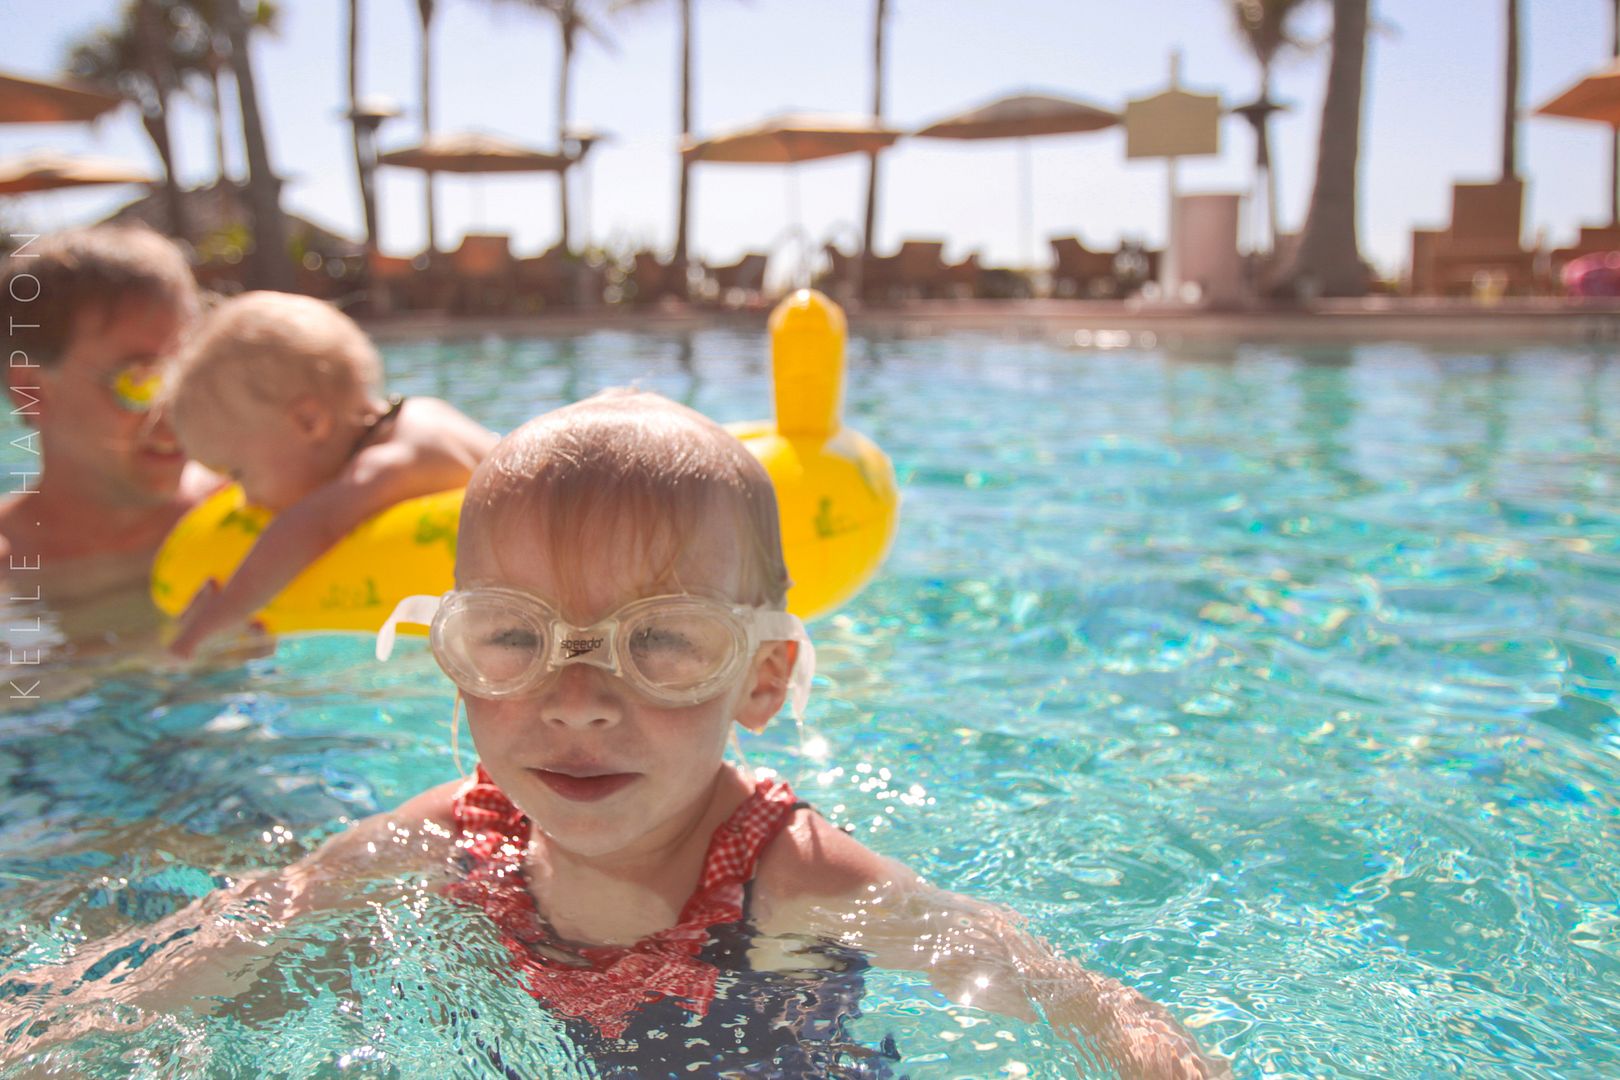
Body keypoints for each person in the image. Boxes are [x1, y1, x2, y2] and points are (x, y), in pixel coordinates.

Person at [3, 391, 1226, 1078]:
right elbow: (252, 919)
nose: (578, 700)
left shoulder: (789, 874)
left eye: (662, 642)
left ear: (764, 679)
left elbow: (1050, 988)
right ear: (455, 660)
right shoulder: (460, 837)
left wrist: (1150, 1050)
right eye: (515, 639)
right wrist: (68, 1025)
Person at [161, 290, 499, 659]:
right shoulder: (423, 411)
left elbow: (311, 527)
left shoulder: (386, 464)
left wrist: (220, 615)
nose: (245, 498)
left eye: (239, 473)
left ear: (309, 422)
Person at [0, 227, 215, 623]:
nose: (176, 412)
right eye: (140, 381)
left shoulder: (264, 509)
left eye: (189, 374)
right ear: (32, 390)